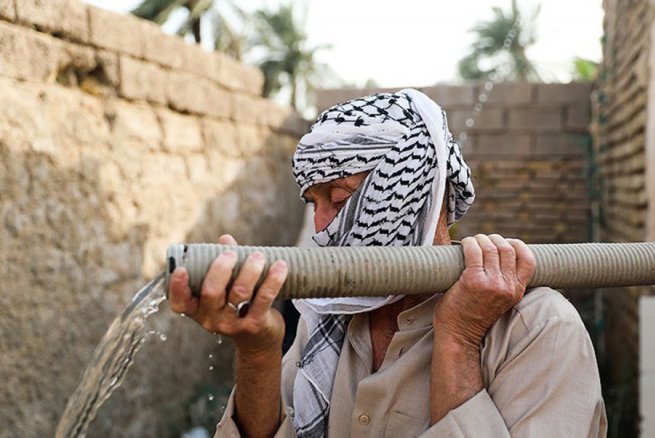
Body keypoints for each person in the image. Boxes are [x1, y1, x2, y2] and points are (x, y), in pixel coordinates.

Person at [168, 89, 607, 437]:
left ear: (414, 197)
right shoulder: (331, 314)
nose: (321, 227)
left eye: (339, 198)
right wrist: (259, 351)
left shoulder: (540, 330)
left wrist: (459, 341)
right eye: (313, 203)